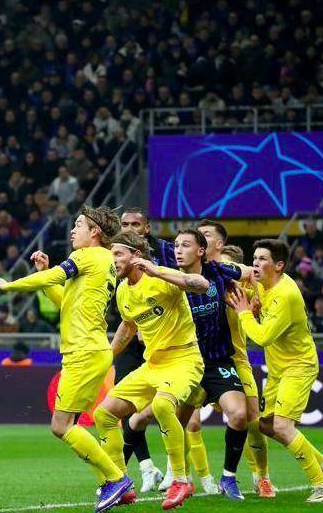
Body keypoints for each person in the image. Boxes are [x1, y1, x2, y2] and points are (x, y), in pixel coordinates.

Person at [0, 206, 133, 512]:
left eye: (79, 225)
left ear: (95, 232)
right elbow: (65, 301)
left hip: (84, 352)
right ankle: (113, 483)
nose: (73, 230)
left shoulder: (87, 256)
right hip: (90, 351)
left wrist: (9, 285)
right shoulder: (102, 261)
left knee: (61, 426)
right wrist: (44, 273)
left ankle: (116, 479)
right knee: (71, 424)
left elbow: (56, 276)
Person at [92, 232, 208, 510]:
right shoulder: (123, 290)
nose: (112, 259)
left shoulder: (160, 276)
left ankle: (180, 479)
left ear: (136, 255)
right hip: (152, 365)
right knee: (103, 414)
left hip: (184, 359)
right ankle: (120, 482)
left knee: (162, 405)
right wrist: (106, 358)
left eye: (118, 254)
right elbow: (128, 326)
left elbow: (201, 284)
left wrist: (158, 272)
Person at [226, 239, 323, 503]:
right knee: (266, 425)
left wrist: (244, 313)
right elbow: (249, 295)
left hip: (298, 366)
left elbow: (262, 337)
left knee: (282, 425)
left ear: (278, 266)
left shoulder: (285, 294)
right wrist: (250, 305)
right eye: (254, 258)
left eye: (262, 259)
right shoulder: (262, 283)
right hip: (279, 368)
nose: (255, 264)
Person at [170, 228, 251, 500]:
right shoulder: (170, 280)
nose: (178, 250)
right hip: (185, 363)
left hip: (217, 362)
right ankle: (179, 477)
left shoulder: (217, 271)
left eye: (185, 245)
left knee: (239, 415)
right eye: (176, 245)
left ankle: (228, 477)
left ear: (201, 251)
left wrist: (250, 291)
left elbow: (250, 272)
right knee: (176, 423)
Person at [110, 207, 175, 492]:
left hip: (166, 342)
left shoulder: (167, 251)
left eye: (135, 224)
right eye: (124, 224)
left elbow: (184, 282)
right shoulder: (116, 255)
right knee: (124, 402)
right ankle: (147, 467)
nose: (129, 228)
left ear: (146, 228)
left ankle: (175, 469)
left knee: (167, 404)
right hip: (131, 336)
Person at [209, 235, 275, 497]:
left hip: (237, 360)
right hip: (203, 361)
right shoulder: (203, 285)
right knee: (185, 419)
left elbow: (259, 303)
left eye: (228, 269)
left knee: (249, 420)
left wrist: (255, 305)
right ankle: (182, 476)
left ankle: (262, 477)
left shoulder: (244, 294)